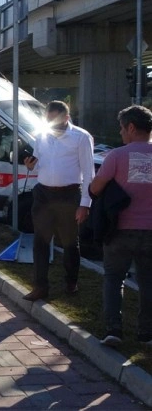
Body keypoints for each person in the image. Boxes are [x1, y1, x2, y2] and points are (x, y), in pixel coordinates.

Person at [89, 105, 152, 347]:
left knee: (114, 279)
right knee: (148, 282)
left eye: (122, 128)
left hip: (120, 230)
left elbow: (95, 188)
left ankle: (113, 330)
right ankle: (147, 334)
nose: (121, 133)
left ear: (131, 127)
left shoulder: (116, 156)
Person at [22, 100, 95, 301]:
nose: (52, 124)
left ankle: (71, 282)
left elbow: (89, 172)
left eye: (56, 119)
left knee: (70, 242)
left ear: (67, 118)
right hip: (43, 194)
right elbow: (38, 162)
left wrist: (85, 204)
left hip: (69, 195)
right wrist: (30, 166)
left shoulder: (81, 137)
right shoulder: (42, 135)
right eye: (48, 120)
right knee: (40, 241)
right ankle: (40, 287)